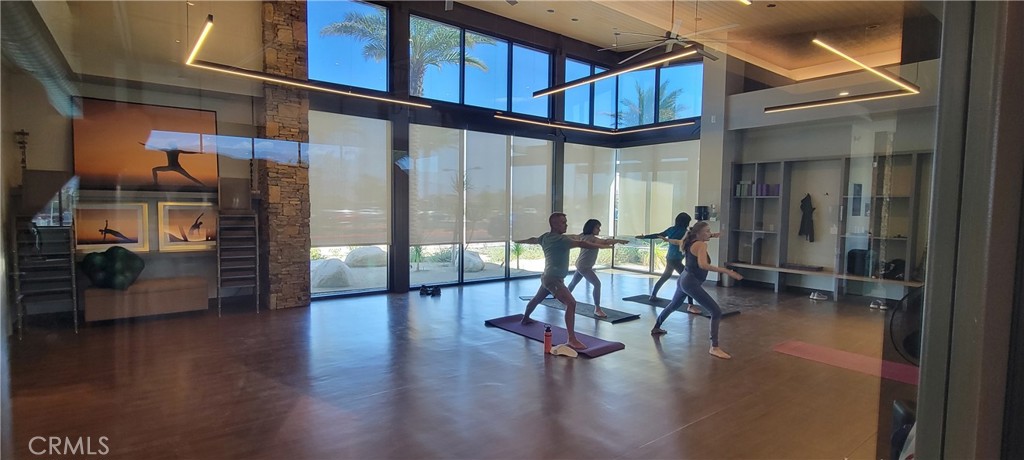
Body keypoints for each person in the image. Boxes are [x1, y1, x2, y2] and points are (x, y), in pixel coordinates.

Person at [516, 213, 618, 350]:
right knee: (571, 303)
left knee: (537, 299)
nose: (566, 225)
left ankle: (525, 318)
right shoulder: (561, 240)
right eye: (563, 222)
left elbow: (533, 239)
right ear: (555, 225)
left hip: (548, 276)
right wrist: (602, 246)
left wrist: (518, 240)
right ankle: (571, 339)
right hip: (553, 280)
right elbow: (582, 243)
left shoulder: (545, 237)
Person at [651, 221, 743, 359]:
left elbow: (676, 242)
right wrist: (725, 271)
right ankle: (714, 347)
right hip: (691, 282)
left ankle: (656, 327)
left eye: (709, 231)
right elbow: (703, 265)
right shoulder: (701, 245)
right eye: (707, 231)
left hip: (684, 279)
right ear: (698, 233)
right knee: (716, 311)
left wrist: (715, 235)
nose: (709, 233)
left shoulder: (689, 240)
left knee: (674, 305)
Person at [636, 212, 700, 313]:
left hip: (670, 257)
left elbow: (658, 235)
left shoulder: (671, 229)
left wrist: (644, 236)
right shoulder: (685, 232)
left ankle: (653, 295)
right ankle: (690, 305)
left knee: (665, 276)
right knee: (688, 280)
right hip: (676, 259)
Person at [565, 219, 629, 318]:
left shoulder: (582, 236)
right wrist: (618, 240)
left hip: (581, 264)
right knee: (597, 284)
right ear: (591, 228)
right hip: (584, 266)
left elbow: (573, 236)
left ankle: (564, 298)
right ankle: (597, 309)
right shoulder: (591, 239)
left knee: (574, 282)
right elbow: (605, 242)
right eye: (597, 228)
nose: (599, 230)